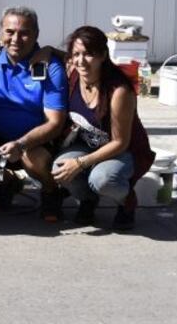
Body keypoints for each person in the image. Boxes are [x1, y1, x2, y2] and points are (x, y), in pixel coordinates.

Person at [0, 7, 69, 221]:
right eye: (10, 32)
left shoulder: (49, 65)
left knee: (32, 157)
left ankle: (51, 192)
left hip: (37, 138)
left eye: (24, 32)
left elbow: (55, 123)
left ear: (36, 34)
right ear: (1, 32)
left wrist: (21, 144)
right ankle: (8, 183)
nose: (16, 38)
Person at [52, 26, 155, 230]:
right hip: (87, 144)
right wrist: (46, 51)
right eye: (76, 54)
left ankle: (127, 202)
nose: (81, 61)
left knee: (103, 179)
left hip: (122, 151)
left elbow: (120, 142)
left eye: (89, 54)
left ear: (103, 56)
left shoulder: (119, 91)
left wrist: (81, 163)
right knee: (59, 168)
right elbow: (55, 52)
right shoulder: (73, 71)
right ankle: (88, 201)